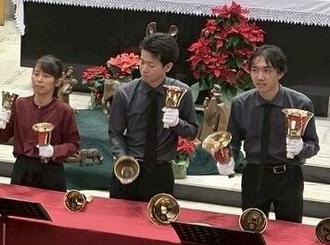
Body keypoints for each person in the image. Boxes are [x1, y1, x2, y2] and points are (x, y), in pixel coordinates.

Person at [220, 45, 319, 223]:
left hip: (288, 176)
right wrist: (227, 159)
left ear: (280, 73)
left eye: (267, 70)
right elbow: (232, 141)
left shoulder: (300, 103)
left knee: (289, 230)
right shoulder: (241, 103)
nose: (260, 77)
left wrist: (301, 149)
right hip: (254, 174)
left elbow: (313, 144)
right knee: (251, 228)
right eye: (254, 70)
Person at [108, 33, 198, 201]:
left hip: (160, 173)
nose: (144, 69)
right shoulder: (124, 93)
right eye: (142, 62)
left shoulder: (181, 92)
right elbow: (115, 132)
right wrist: (122, 159)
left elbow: (192, 133)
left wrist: (177, 123)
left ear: (167, 67)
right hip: (129, 167)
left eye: (151, 65)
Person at [0, 55, 80, 191]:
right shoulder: (20, 104)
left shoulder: (64, 110)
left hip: (51, 170)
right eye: (36, 74)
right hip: (23, 170)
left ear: (57, 82)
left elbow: (73, 143)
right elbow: (3, 137)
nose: (39, 80)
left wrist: (54, 151)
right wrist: (1, 122)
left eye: (46, 76)